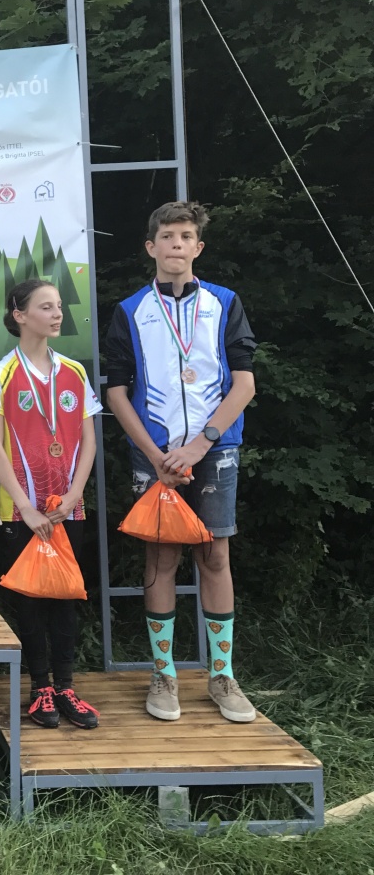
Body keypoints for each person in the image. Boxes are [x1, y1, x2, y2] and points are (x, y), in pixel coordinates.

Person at [104, 201, 257, 723]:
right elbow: (117, 392)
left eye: (186, 236)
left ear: (198, 247)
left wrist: (200, 444)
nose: (176, 244)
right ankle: (164, 674)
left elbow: (244, 384)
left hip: (215, 449)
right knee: (161, 558)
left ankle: (223, 675)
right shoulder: (130, 310)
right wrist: (156, 455)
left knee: (215, 556)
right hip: (155, 453)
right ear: (151, 247)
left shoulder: (224, 302)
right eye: (167, 236)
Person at [0, 279, 102, 729]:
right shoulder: (0, 375)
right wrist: (27, 508)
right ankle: (40, 688)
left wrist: (74, 495)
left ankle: (66, 686)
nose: (57, 314)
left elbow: (89, 441)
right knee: (30, 597)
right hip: (21, 509)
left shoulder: (75, 371)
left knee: (66, 595)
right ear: (20, 315)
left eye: (59, 306)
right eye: (46, 307)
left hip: (67, 506)